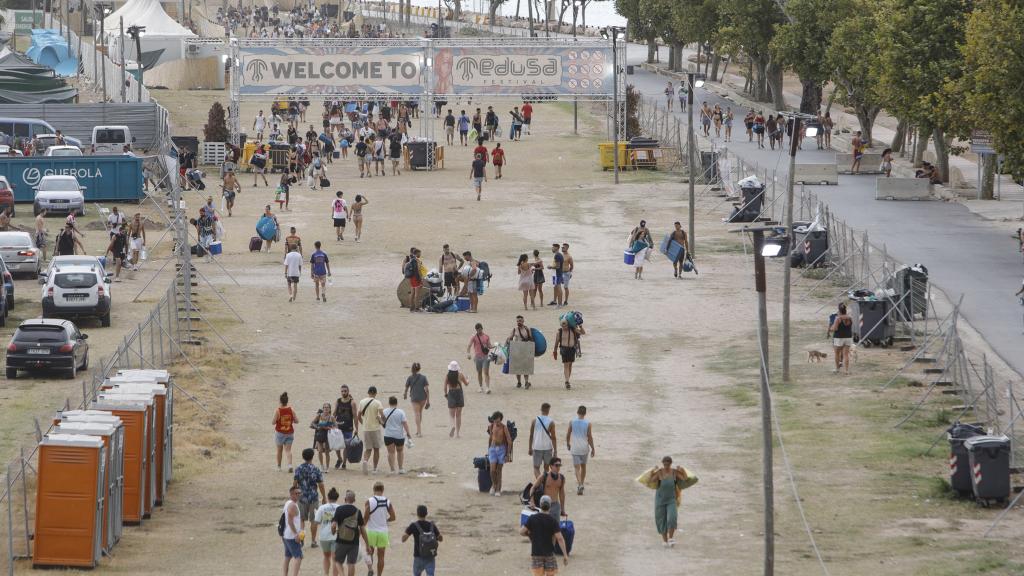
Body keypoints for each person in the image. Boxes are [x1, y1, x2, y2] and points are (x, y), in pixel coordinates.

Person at [520, 495, 569, 576]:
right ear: (550, 506)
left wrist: (530, 535)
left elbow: (521, 532)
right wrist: (565, 555)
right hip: (549, 553)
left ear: (540, 505)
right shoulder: (553, 521)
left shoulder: (532, 518)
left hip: (536, 553)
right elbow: (560, 538)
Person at [649, 456, 690, 547]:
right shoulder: (659, 472)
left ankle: (671, 538)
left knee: (672, 518)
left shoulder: (674, 472)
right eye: (665, 464)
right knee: (661, 519)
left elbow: (685, 479)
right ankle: (665, 540)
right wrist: (653, 471)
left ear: (671, 463)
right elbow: (651, 480)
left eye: (668, 464)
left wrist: (682, 470)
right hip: (660, 499)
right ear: (662, 463)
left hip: (671, 499)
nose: (666, 465)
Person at [331, 490, 369, 576]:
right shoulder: (357, 511)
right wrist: (367, 544)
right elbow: (362, 529)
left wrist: (333, 532)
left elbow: (333, 525)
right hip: (354, 541)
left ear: (345, 499)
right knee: (351, 563)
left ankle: (341, 574)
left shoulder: (339, 509)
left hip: (341, 540)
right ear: (354, 500)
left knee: (338, 561)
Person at [294, 448, 326, 545]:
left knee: (302, 520)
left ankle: (302, 537)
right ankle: (313, 541)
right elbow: (321, 484)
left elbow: (295, 484)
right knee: (314, 520)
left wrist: (295, 495)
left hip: (302, 497)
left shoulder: (298, 469)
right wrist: (324, 496)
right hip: (313, 497)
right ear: (312, 457)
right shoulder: (315, 469)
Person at [363, 482, 395, 576]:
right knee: (381, 557)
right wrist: (385, 520)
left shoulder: (369, 501)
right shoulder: (387, 501)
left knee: (369, 553)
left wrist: (361, 529)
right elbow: (393, 517)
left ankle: (370, 569)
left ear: (373, 490)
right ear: (383, 490)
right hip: (383, 532)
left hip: (371, 531)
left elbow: (365, 518)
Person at [402, 505, 443, 576]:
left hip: (418, 556)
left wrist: (406, 533)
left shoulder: (413, 525)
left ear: (417, 514)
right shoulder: (432, 525)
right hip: (430, 556)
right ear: (426, 514)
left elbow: (403, 539)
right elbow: (441, 539)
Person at [566, 406, 594, 495]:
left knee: (577, 468)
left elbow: (568, 434)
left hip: (575, 448)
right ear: (585, 413)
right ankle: (582, 483)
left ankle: (580, 484)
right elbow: (589, 437)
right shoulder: (588, 423)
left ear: (577, 412)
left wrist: (567, 443)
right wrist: (593, 448)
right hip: (584, 448)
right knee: (583, 466)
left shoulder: (572, 422)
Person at [358, 386, 386, 475]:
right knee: (376, 449)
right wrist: (382, 420)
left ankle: (365, 461)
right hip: (375, 428)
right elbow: (382, 415)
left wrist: (363, 423)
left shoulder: (362, 402)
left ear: (368, 392)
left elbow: (358, 416)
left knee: (368, 449)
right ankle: (374, 468)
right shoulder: (378, 402)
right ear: (375, 393)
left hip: (366, 429)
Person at [314, 488, 340, 576]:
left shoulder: (322, 508)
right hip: (336, 536)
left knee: (326, 556)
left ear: (328, 497)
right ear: (337, 498)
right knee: (335, 558)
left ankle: (326, 574)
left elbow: (316, 521)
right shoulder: (340, 508)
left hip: (324, 536)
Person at [382, 396, 411, 475]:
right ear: (396, 403)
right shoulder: (401, 412)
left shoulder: (384, 411)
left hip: (388, 435)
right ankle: (400, 468)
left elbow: (382, 423)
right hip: (399, 435)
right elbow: (405, 423)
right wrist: (408, 434)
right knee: (400, 451)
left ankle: (392, 469)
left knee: (390, 452)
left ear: (389, 403)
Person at [554, 318, 585, 390]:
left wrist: (580, 326)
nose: (564, 327)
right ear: (561, 325)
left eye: (565, 325)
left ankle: (567, 380)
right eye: (562, 326)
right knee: (566, 365)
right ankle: (567, 381)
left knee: (570, 365)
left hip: (572, 349)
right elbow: (556, 342)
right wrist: (555, 351)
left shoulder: (573, 330)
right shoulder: (559, 332)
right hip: (564, 349)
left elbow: (583, 332)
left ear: (568, 325)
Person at [333, 385, 358, 470]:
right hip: (338, 427)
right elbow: (334, 414)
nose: (343, 392)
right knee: (337, 445)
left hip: (348, 427)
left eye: (345, 391)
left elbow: (355, 416)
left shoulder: (352, 402)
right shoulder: (338, 401)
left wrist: (356, 428)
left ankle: (344, 462)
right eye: (342, 391)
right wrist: (331, 423)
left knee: (346, 446)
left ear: (348, 391)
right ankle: (339, 459)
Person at [487, 411, 512, 496]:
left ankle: (498, 489)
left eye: (498, 421)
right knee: (492, 470)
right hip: (493, 449)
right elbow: (491, 437)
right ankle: (494, 485)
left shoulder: (504, 428)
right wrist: (489, 449)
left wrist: (507, 454)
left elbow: (509, 441)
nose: (496, 423)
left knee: (499, 470)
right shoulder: (491, 426)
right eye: (495, 421)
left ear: (501, 420)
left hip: (502, 449)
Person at [529, 403, 557, 477]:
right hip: (548, 447)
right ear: (548, 410)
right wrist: (555, 450)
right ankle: (544, 482)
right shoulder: (551, 422)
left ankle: (540, 483)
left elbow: (531, 435)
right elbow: (553, 437)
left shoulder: (534, 420)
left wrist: (529, 448)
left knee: (536, 468)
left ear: (541, 409)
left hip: (537, 446)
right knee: (546, 468)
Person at [403, 363, 429, 437]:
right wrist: (428, 401)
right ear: (419, 369)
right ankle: (418, 431)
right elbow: (427, 390)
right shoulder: (424, 377)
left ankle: (419, 431)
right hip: (423, 397)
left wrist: (405, 394)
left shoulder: (410, 377)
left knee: (417, 413)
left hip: (414, 397)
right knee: (420, 413)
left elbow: (406, 388)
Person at [282, 486, 304, 576]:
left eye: (299, 493)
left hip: (286, 534)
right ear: (291, 494)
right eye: (296, 493)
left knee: (287, 556)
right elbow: (290, 521)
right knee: (298, 557)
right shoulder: (293, 505)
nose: (298, 495)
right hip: (291, 536)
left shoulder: (288, 503)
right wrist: (296, 534)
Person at [274, 392, 297, 472]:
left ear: (280, 401)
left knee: (279, 450)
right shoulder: (291, 410)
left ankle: (279, 466)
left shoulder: (278, 411)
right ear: (287, 401)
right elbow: (296, 421)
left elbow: (273, 422)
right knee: (288, 450)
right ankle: (290, 465)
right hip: (289, 432)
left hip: (280, 433)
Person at [444, 361, 467, 438]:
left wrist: (446, 395)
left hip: (451, 393)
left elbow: (444, 387)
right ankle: (457, 433)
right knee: (458, 415)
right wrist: (468, 379)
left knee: (451, 415)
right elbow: (466, 384)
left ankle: (453, 426)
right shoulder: (460, 375)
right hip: (459, 393)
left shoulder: (447, 376)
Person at [466, 323, 492, 394]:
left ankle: (487, 387)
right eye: (478, 330)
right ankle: (480, 387)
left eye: (480, 329)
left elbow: (489, 345)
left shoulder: (486, 336)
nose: (479, 331)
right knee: (479, 372)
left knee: (486, 372)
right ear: (476, 330)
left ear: (482, 328)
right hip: (477, 357)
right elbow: (469, 345)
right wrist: (468, 353)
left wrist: (495, 346)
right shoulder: (474, 337)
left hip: (486, 357)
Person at [830, 302, 854, 375]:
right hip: (848, 337)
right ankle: (846, 370)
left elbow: (835, 328)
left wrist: (831, 328)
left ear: (839, 310)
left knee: (837, 354)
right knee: (846, 354)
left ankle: (837, 369)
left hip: (839, 338)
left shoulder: (838, 318)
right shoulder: (850, 318)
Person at [313, 403, 336, 472]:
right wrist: (318, 427)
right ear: (323, 408)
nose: (326, 408)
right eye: (325, 407)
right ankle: (321, 466)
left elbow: (336, 426)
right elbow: (312, 423)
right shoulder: (319, 416)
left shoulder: (332, 417)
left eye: (327, 407)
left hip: (328, 436)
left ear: (329, 409)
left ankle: (327, 467)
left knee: (327, 452)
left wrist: (330, 428)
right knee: (320, 451)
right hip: (320, 435)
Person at [406, 247, 424, 313]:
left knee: (412, 293)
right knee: (417, 294)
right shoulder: (417, 260)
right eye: (419, 253)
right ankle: (417, 308)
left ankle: (411, 307)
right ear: (417, 253)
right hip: (416, 278)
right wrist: (421, 278)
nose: (420, 255)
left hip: (412, 278)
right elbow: (419, 270)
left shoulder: (411, 259)